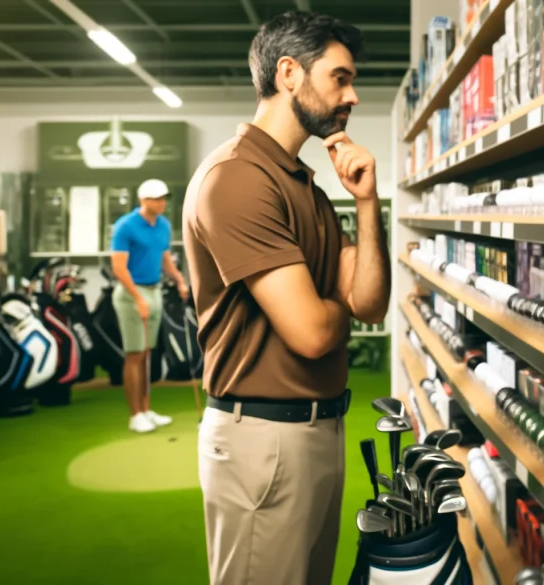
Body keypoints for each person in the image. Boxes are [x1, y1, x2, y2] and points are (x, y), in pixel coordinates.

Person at [181, 10, 390, 585]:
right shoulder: (238, 178)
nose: (351, 96)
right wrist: (336, 303)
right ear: (289, 73)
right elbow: (314, 332)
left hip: (315, 431)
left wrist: (367, 204)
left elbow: (368, 303)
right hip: (262, 442)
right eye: (340, 78)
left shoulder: (305, 183)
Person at [110, 178, 190, 433]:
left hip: (154, 291)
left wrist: (179, 279)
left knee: (147, 355)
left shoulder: (163, 225)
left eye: (164, 197)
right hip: (130, 294)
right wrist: (137, 298)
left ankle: (146, 409)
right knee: (134, 355)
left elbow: (164, 256)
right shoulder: (126, 226)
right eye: (156, 198)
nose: (162, 202)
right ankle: (135, 415)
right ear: (143, 201)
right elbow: (119, 267)